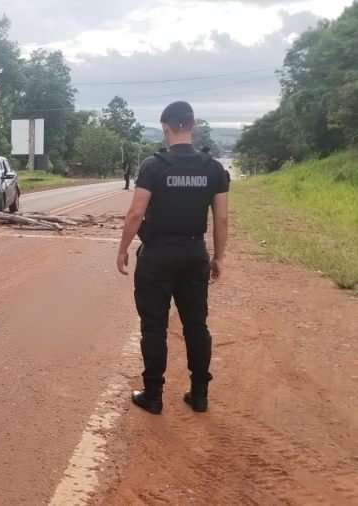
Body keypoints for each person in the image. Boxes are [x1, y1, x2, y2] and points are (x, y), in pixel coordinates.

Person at [116, 101, 229, 415]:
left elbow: (136, 212)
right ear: (192, 125)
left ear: (165, 128)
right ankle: (200, 394)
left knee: (154, 327)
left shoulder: (154, 166)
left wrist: (123, 248)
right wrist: (218, 256)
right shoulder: (213, 168)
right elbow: (221, 219)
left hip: (157, 255)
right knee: (196, 325)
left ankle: (152, 396)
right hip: (194, 254)